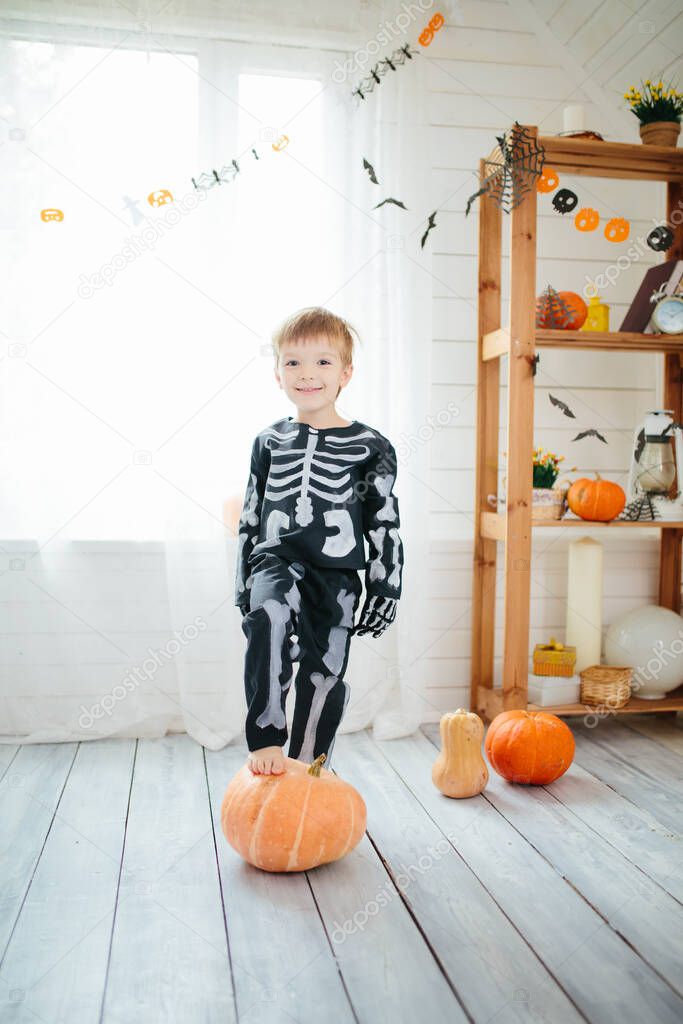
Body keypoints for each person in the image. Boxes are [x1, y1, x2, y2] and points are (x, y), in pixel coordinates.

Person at [235, 307, 404, 776]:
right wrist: (242, 581)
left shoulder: (372, 446)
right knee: (267, 617)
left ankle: (309, 763)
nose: (307, 374)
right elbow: (251, 514)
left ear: (346, 373)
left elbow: (384, 522)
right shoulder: (268, 441)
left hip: (338, 572)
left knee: (324, 668)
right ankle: (266, 737)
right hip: (276, 559)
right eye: (293, 363)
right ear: (277, 374)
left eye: (323, 362)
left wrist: (385, 587)